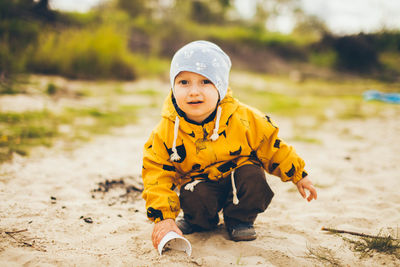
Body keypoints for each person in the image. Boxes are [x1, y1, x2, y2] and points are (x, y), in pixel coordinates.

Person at [142, 40, 317, 249]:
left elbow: (271, 145)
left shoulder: (244, 118)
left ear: (221, 86)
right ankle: (199, 221)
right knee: (194, 194)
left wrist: (299, 174)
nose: (194, 92)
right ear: (172, 85)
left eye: (206, 82)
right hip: (202, 183)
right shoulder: (166, 131)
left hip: (238, 177)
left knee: (252, 175)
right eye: (184, 82)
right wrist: (163, 217)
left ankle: (240, 219)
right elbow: (156, 175)